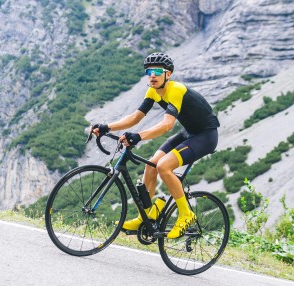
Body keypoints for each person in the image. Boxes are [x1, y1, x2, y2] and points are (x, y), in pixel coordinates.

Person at [92, 52, 220, 238]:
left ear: (168, 74)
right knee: (151, 167)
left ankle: (186, 214)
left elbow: (167, 125)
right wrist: (106, 127)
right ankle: (146, 217)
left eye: (157, 71)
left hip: (206, 136)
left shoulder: (175, 89)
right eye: (149, 71)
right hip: (188, 133)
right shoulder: (152, 91)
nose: (152, 75)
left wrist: (138, 137)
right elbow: (135, 118)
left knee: (163, 166)